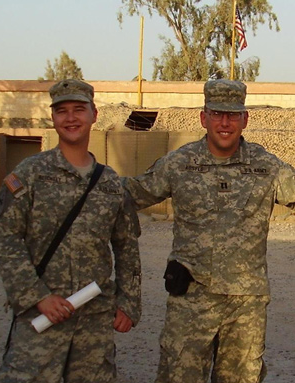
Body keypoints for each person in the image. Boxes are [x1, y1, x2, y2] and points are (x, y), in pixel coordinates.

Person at [123, 79, 295, 383]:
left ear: (245, 119)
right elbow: (131, 193)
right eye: (217, 114)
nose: (225, 122)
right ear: (204, 118)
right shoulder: (179, 163)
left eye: (232, 114)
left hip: (245, 306)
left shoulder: (266, 167)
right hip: (190, 301)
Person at [0, 79, 141, 383]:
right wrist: (38, 296)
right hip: (41, 316)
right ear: (53, 118)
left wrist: (129, 302)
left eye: (79, 109)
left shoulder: (111, 183)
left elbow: (127, 246)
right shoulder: (30, 173)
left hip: (93, 320)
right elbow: (6, 236)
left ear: (94, 114)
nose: (71, 118)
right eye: (62, 111)